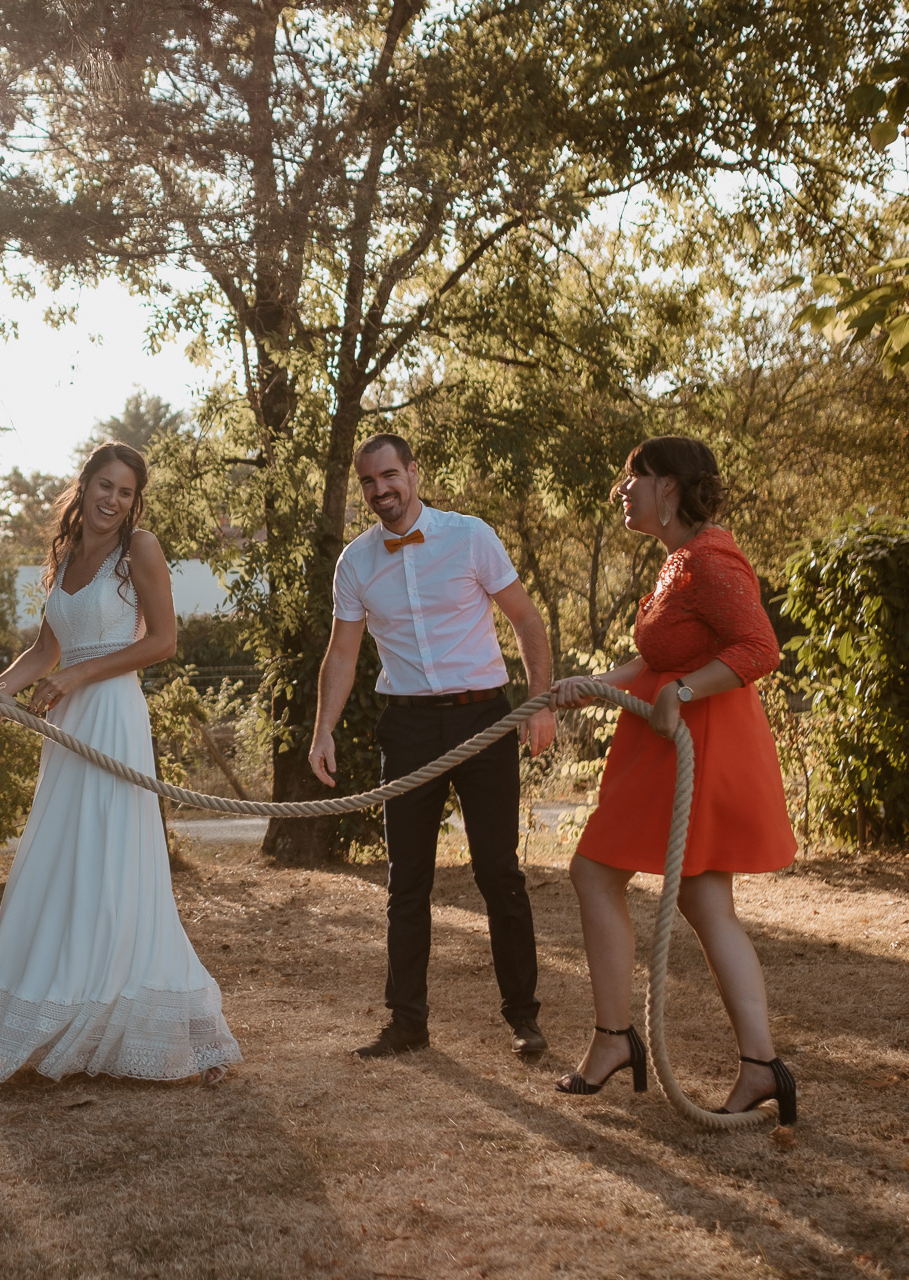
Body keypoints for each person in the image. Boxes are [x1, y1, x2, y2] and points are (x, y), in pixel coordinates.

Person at [0, 441, 241, 1085]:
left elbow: (163, 641)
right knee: (66, 858)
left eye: (126, 492)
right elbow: (46, 648)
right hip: (70, 723)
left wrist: (82, 674)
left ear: (135, 501)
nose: (113, 500)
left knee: (115, 860)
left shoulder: (138, 549)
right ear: (83, 486)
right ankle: (71, 1006)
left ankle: (152, 1014)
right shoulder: (62, 555)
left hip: (111, 715)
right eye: (104, 486)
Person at [548, 436, 798, 1123]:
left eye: (636, 477)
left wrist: (683, 692)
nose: (623, 490)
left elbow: (758, 649)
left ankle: (614, 1040)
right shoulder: (679, 563)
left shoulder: (709, 560)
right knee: (700, 902)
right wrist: (595, 685)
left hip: (698, 742)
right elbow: (660, 658)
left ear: (670, 487)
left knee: (597, 872)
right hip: (671, 740)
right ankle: (759, 1066)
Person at [309, 433, 557, 1059]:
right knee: (407, 879)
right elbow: (341, 653)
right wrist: (324, 729)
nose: (379, 490)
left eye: (389, 475)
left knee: (497, 872)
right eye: (368, 482)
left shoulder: (470, 536)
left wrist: (541, 703)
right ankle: (407, 1024)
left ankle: (524, 1019)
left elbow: (527, 620)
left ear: (413, 473)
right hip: (409, 726)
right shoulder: (356, 563)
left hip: (485, 720)